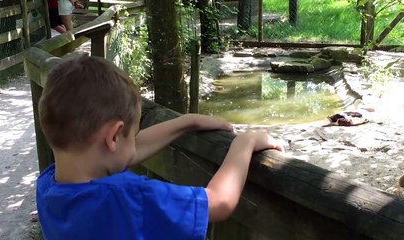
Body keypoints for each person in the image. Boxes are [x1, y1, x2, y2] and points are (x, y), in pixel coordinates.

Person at [36, 55, 284, 240]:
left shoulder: (49, 188)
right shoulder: (128, 197)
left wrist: (185, 122)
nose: (136, 141)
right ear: (113, 137)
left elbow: (124, 151)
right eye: (133, 134)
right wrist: (244, 144)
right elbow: (218, 202)